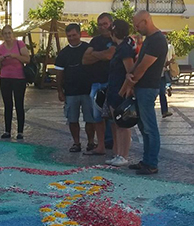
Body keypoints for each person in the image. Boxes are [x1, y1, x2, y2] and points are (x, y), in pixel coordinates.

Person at [119, 11, 167, 175]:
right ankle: (146, 160)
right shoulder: (150, 40)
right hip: (141, 88)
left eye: (137, 25)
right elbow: (138, 62)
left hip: (147, 88)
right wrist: (129, 78)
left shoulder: (158, 40)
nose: (136, 28)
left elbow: (143, 67)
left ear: (146, 21)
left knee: (150, 127)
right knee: (143, 126)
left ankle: (152, 163)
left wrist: (130, 82)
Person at [55, 23, 96, 153]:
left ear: (79, 34)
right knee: (72, 119)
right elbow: (59, 74)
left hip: (88, 91)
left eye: (74, 35)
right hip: (71, 92)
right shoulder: (63, 54)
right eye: (69, 36)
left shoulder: (88, 48)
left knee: (90, 119)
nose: (72, 38)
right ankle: (76, 143)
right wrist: (60, 91)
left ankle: (91, 142)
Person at [103, 20, 136, 167]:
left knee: (123, 125)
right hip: (114, 90)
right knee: (116, 125)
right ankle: (118, 153)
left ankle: (124, 155)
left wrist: (123, 91)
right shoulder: (121, 47)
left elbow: (130, 71)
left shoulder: (124, 49)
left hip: (120, 92)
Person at [83, 13, 116, 152]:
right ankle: (101, 145)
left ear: (111, 24)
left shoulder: (116, 39)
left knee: (113, 117)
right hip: (96, 83)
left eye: (105, 24)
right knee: (97, 116)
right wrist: (102, 55)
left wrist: (95, 54)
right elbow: (85, 59)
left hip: (111, 82)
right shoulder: (95, 41)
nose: (102, 27)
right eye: (100, 24)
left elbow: (110, 55)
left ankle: (115, 146)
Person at [0, 25, 30, 139]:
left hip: (19, 78)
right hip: (5, 77)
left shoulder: (19, 44)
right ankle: (7, 130)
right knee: (7, 104)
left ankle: (20, 131)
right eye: (5, 33)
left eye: (9, 33)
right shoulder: (0, 47)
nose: (7, 35)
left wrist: (14, 56)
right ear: (3, 35)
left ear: (13, 33)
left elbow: (27, 58)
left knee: (19, 104)